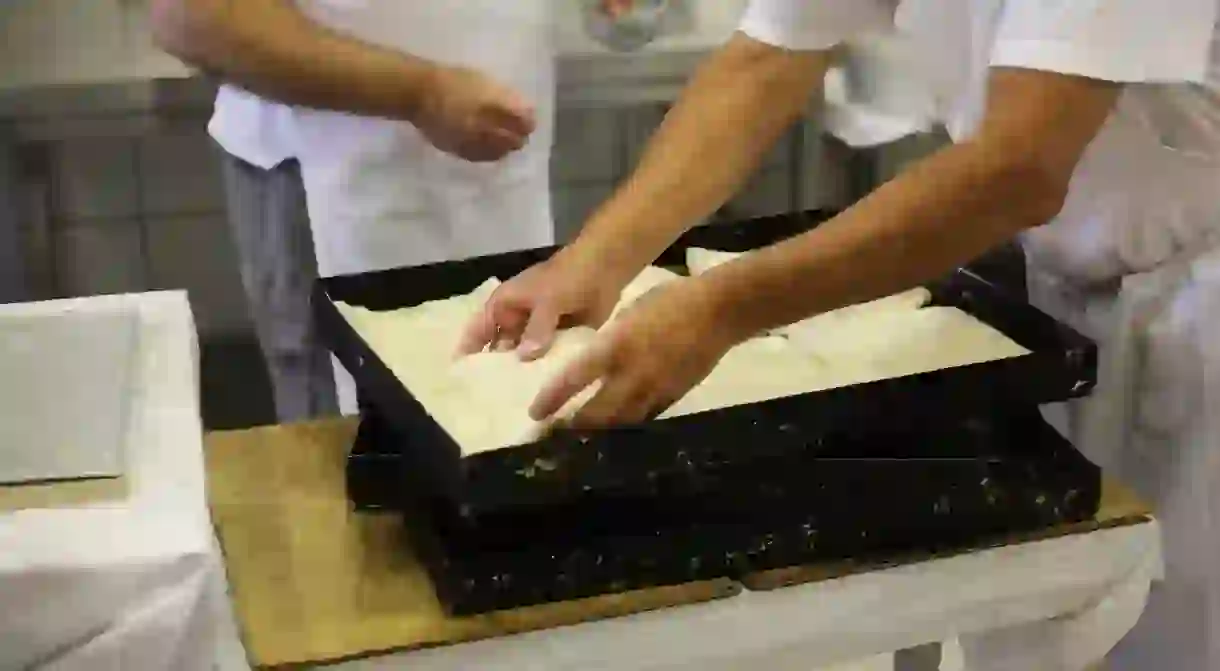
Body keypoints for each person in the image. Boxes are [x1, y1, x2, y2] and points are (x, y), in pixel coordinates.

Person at [461, 0, 1220, 668]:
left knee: (1184, 634)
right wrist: (596, 259)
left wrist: (720, 309)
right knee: (1052, 621)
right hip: (1077, 286)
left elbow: (1017, 169)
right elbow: (766, 62)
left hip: (1202, 305)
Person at [150, 0, 555, 418]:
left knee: (500, 407)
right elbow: (190, 16)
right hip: (333, 185)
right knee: (357, 448)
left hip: (501, 182)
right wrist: (421, 95)